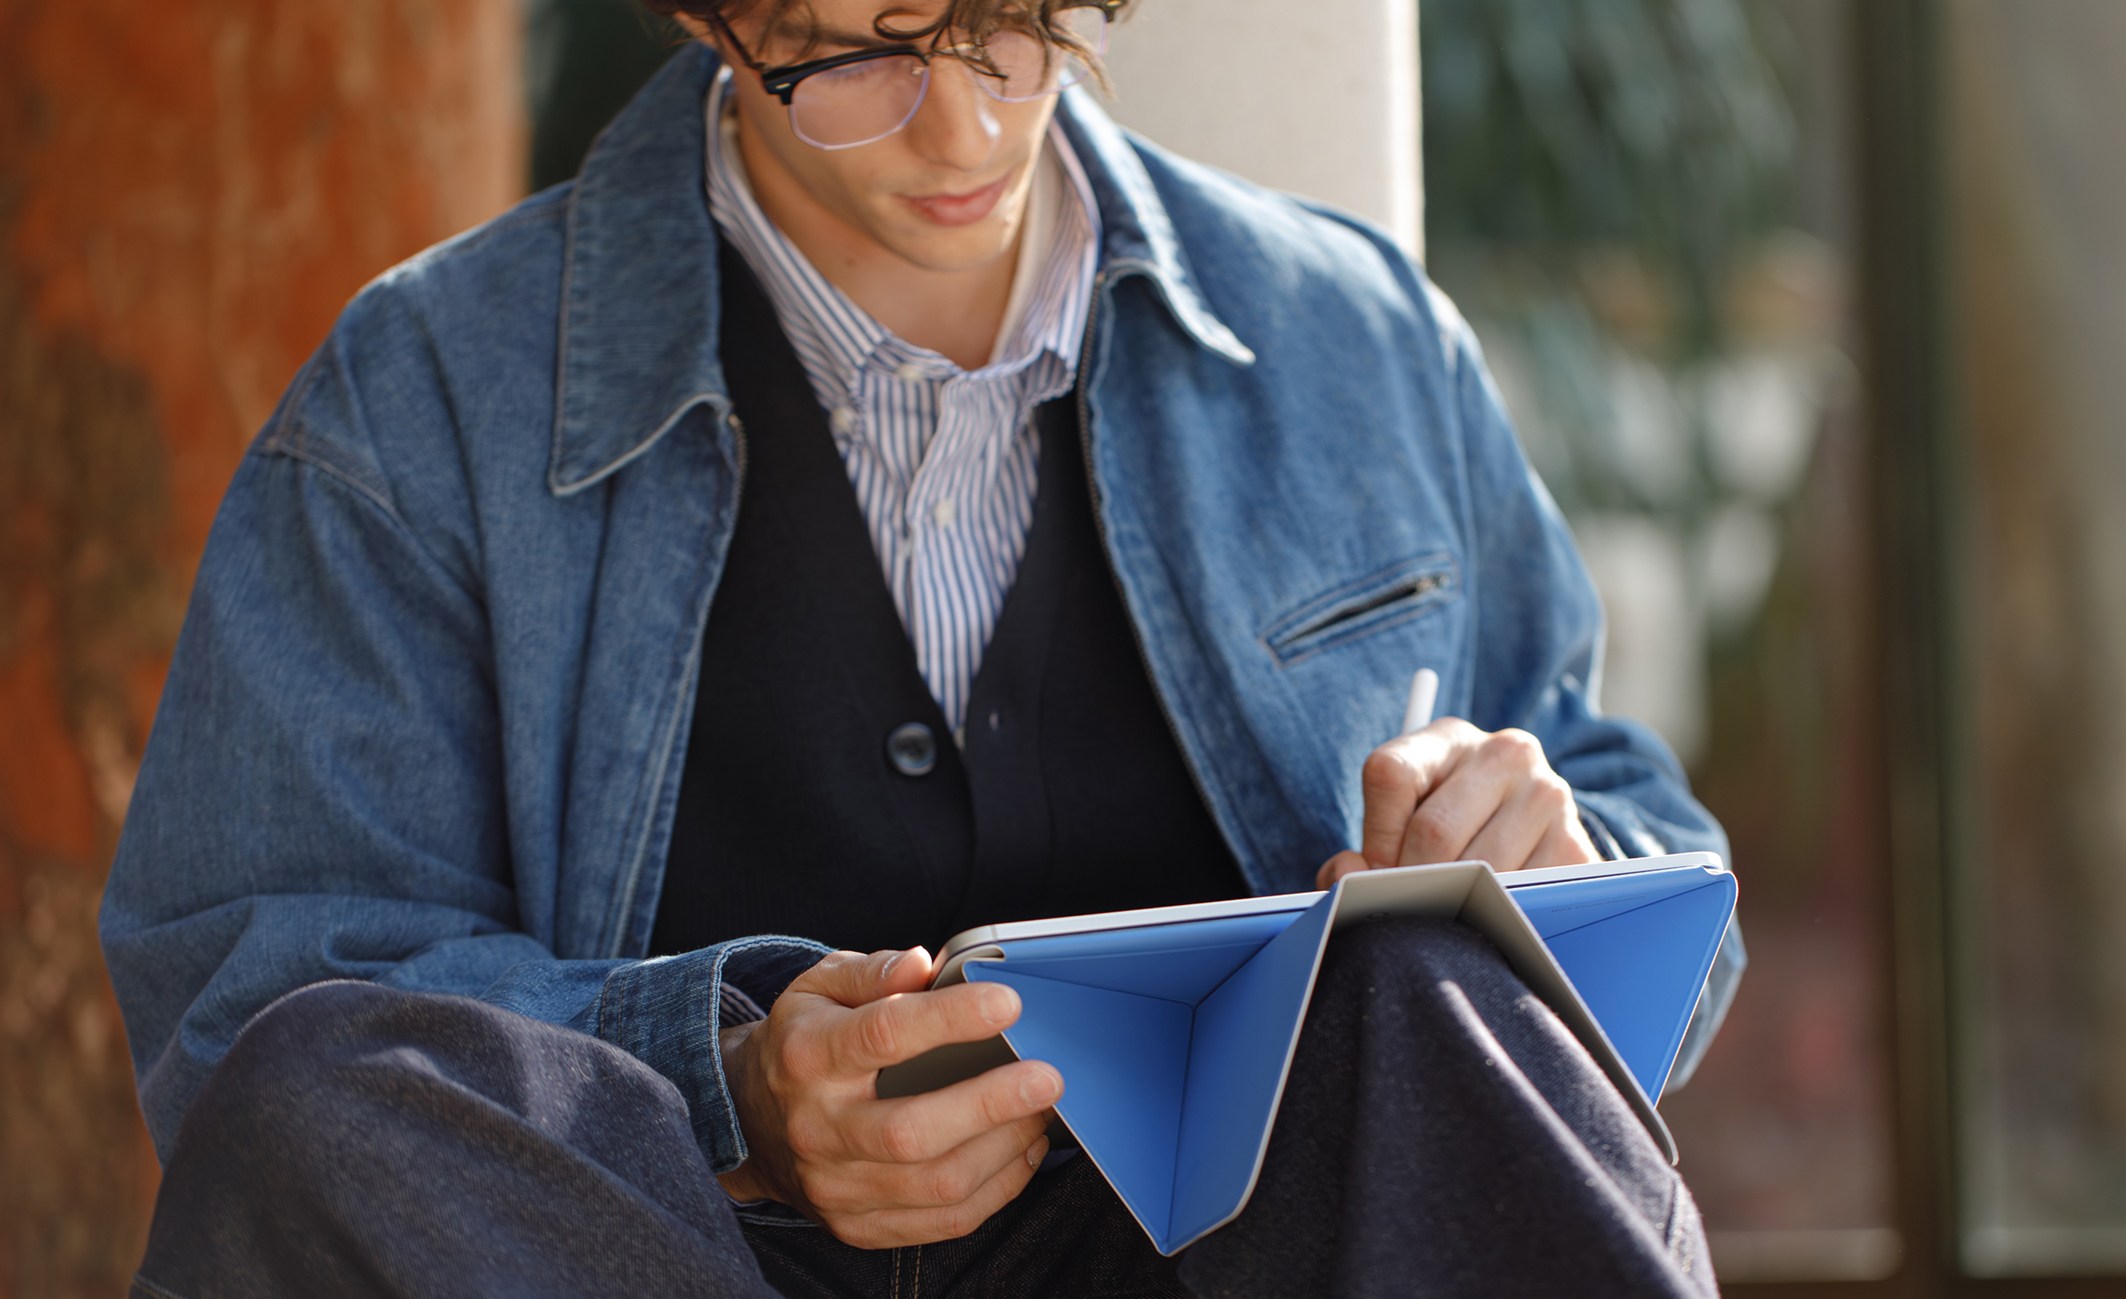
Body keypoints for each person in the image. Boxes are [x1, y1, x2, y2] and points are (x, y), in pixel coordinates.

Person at [100, 1, 1744, 1294]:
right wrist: (733, 1091)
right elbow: (253, 985)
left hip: (1250, 1268)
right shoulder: (424, 395)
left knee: (1440, 975)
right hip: (679, 1268)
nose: (967, 126)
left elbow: (1664, 875)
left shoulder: (1353, 339)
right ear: (707, 19)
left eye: (1020, 22)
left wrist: (1557, 862)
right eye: (866, 53)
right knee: (318, 1091)